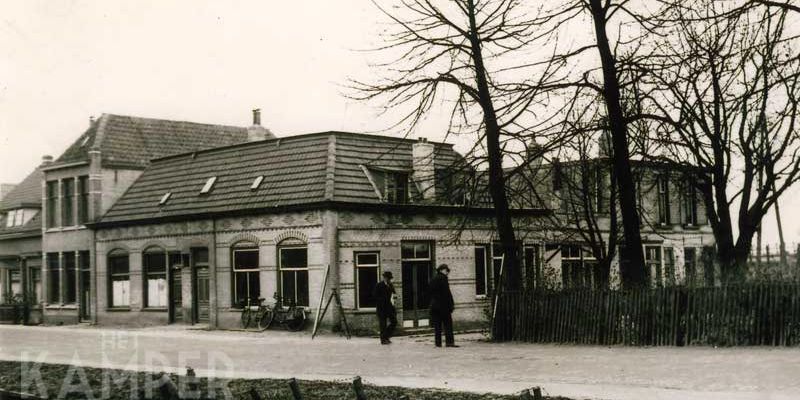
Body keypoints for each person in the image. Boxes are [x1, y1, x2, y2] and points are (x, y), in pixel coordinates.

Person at [429, 264, 458, 347]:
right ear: (442, 270)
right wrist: (451, 305)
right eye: (446, 270)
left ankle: (438, 343)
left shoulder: (433, 279)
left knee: (437, 326)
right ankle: (449, 342)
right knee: (448, 324)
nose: (447, 272)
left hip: (435, 306)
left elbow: (430, 292)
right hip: (443, 306)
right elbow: (447, 293)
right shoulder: (443, 278)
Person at [373, 270, 397, 345]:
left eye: (390, 279)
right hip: (381, 308)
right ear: (385, 278)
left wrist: (395, 297)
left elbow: (394, 294)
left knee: (394, 322)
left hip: (389, 307)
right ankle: (383, 340)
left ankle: (386, 336)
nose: (389, 280)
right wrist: (382, 300)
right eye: (388, 278)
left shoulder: (390, 285)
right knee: (383, 324)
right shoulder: (379, 285)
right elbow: (374, 296)